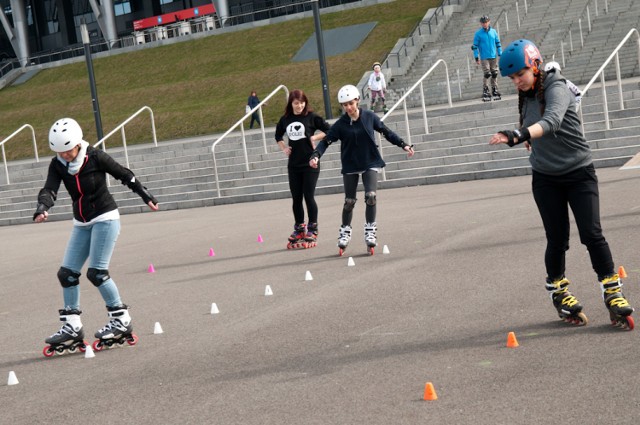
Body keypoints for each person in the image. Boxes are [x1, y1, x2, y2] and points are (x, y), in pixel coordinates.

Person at [489, 39, 634, 329]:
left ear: (535, 66)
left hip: (579, 172)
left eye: (521, 74)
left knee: (592, 234)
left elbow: (553, 120)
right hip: (545, 178)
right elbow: (537, 124)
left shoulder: (557, 87)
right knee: (557, 240)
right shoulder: (527, 95)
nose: (517, 81)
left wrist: (518, 135)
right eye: (512, 78)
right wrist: (529, 138)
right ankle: (560, 293)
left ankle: (613, 292)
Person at [34, 118, 159, 355]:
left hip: (105, 218)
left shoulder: (95, 157)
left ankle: (121, 320)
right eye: (60, 152)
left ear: (78, 143)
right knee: (67, 274)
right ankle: (72, 326)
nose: (65, 156)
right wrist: (43, 207)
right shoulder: (57, 163)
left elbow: (124, 175)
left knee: (97, 273)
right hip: (81, 223)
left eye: (68, 151)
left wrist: (145, 194)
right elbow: (50, 189)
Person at [309, 84, 415, 255]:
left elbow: (386, 132)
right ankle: (345, 232)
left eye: (351, 103)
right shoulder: (340, 124)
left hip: (369, 161)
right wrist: (315, 155)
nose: (348, 107)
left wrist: (403, 144)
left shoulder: (369, 117)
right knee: (349, 202)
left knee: (371, 196)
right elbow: (325, 141)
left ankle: (370, 231)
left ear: (357, 100)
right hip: (350, 163)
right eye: (345, 105)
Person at [275, 89, 331, 249]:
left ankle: (313, 228)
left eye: (301, 102)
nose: (299, 106)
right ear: (291, 104)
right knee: (296, 197)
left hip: (310, 162)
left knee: (308, 196)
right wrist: (284, 147)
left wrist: (314, 137)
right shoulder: (285, 119)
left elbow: (329, 130)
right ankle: (299, 228)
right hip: (294, 164)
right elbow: (278, 135)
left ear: (305, 102)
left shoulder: (312, 117)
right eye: (295, 103)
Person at [471, 15, 503, 101]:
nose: (485, 24)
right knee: (487, 73)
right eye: (483, 22)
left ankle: (495, 89)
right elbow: (474, 46)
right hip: (484, 57)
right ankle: (485, 89)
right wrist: (476, 57)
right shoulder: (478, 34)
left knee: (495, 73)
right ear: (481, 23)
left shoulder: (493, 32)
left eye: (486, 22)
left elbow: (498, 43)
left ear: (489, 22)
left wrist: (500, 53)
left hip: (493, 56)